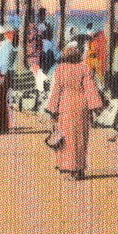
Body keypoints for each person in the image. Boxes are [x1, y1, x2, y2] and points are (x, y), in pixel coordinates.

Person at [44, 41, 106, 180]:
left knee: (66, 139)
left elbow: (56, 90)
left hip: (65, 106)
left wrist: (52, 109)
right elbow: (90, 88)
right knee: (80, 138)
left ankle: (67, 166)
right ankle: (79, 168)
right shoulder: (84, 68)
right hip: (81, 106)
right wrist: (96, 107)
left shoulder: (60, 69)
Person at [0, 29, 16, 134]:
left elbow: (4, 62)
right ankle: (1, 126)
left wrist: (2, 75)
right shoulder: (6, 45)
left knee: (0, 101)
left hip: (1, 74)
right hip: (1, 74)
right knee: (1, 101)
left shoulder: (6, 45)